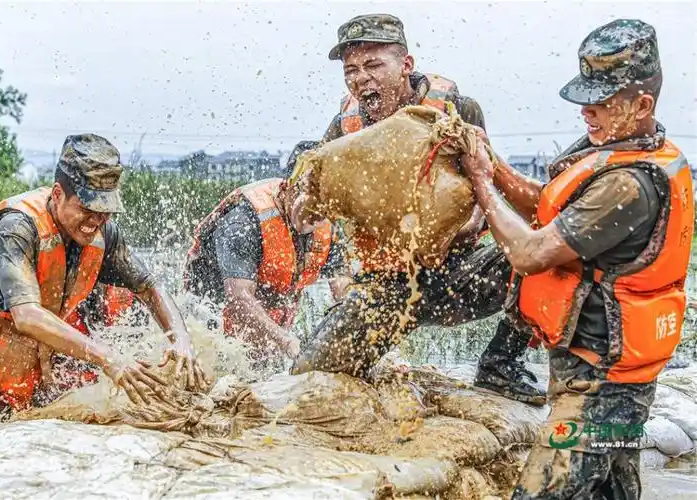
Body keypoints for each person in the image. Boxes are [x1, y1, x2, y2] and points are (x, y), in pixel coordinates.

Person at [459, 19, 693, 499]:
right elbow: (547, 203)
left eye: (603, 101)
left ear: (642, 105)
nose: (587, 110)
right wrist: (495, 168)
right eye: (586, 96)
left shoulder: (628, 186)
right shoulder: (615, 148)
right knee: (612, 491)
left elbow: (528, 253)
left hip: (598, 391)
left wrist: (482, 184)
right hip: (610, 378)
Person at [291, 13, 545, 406]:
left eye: (374, 65)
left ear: (405, 65)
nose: (361, 79)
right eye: (351, 70)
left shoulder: (456, 110)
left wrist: (451, 230)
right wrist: (306, 204)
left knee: (550, 260)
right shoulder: (346, 127)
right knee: (310, 374)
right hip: (388, 283)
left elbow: (483, 187)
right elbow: (309, 202)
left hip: (460, 270)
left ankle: (501, 363)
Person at [0, 133, 208, 437]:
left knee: (26, 447)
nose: (95, 221)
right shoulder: (16, 231)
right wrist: (109, 358)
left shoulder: (105, 234)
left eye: (104, 211)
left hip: (16, 355)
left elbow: (150, 288)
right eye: (87, 208)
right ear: (58, 194)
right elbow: (27, 315)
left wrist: (181, 342)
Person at [182, 142, 352, 371]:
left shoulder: (326, 223)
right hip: (213, 328)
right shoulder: (244, 220)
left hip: (270, 331)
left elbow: (344, 286)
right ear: (287, 188)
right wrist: (287, 342)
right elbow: (239, 299)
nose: (317, 213)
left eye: (325, 206)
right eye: (310, 202)